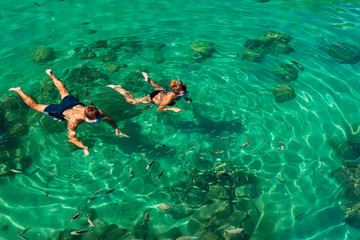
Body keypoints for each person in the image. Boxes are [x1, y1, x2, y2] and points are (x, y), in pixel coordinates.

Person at [9, 69, 129, 156]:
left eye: (97, 120)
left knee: (63, 90)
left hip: (74, 104)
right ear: (86, 118)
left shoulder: (98, 112)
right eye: (94, 121)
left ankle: (50, 74)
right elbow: (72, 137)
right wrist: (84, 147)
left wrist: (116, 128)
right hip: (62, 111)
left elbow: (108, 118)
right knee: (36, 106)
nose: (96, 121)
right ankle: (19, 90)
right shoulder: (73, 121)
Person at [107, 72, 191, 112]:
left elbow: (181, 94)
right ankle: (118, 88)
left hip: (162, 91)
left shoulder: (179, 91)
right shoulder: (168, 99)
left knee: (156, 86)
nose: (185, 93)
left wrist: (186, 98)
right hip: (152, 98)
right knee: (132, 102)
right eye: (184, 93)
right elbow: (159, 109)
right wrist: (172, 108)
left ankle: (147, 79)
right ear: (177, 92)